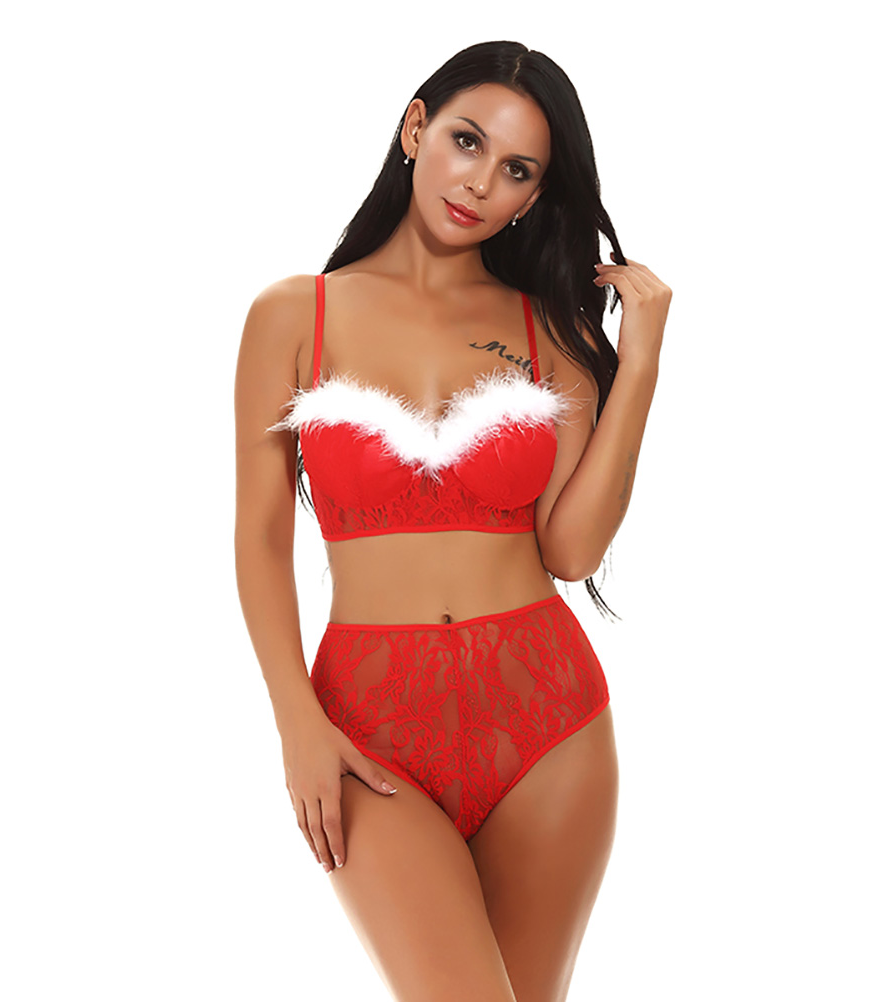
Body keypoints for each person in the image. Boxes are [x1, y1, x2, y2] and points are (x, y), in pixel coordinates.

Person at [234, 40, 671, 1002]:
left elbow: (571, 550)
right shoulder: (295, 314)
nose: (479, 182)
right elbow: (260, 535)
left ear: (535, 196)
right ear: (415, 128)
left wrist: (637, 366)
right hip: (365, 729)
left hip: (547, 721)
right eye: (467, 141)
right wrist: (295, 720)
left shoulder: (549, 328)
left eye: (517, 169)